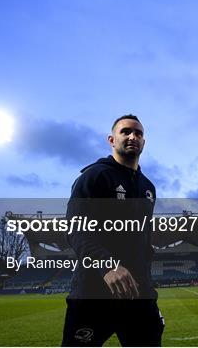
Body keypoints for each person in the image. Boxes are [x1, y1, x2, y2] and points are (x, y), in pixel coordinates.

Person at [62, 114, 164, 346]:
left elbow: (142, 238)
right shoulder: (95, 176)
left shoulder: (148, 188)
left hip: (137, 296)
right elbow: (76, 228)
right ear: (111, 139)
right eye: (125, 131)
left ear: (144, 142)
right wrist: (107, 265)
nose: (132, 136)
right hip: (94, 293)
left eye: (138, 133)